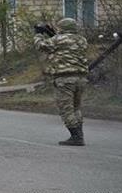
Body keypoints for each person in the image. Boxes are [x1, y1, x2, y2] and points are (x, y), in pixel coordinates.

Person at [34, 17, 89, 146]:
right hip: (81, 78)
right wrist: (51, 33)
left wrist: (38, 34)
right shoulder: (82, 40)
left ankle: (76, 137)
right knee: (76, 108)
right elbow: (63, 44)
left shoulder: (58, 39)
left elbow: (41, 46)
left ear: (62, 28)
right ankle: (79, 134)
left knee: (66, 109)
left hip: (65, 79)